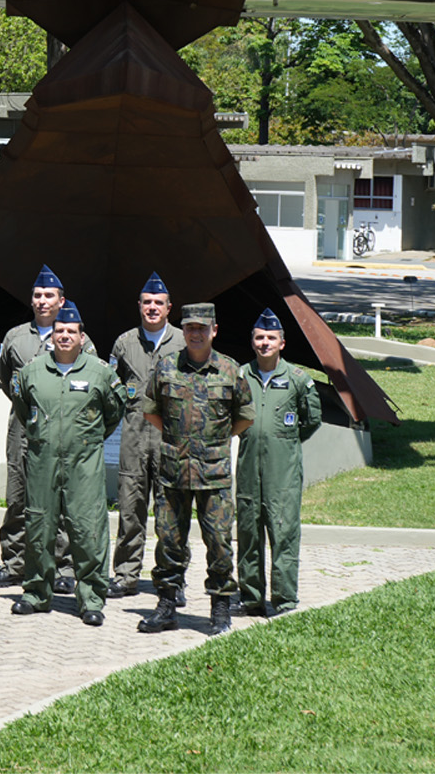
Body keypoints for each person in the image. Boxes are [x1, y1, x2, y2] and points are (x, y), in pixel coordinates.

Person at [138, 303, 254, 637]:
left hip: (214, 473)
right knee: (168, 541)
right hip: (174, 471)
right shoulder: (166, 368)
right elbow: (150, 410)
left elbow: (245, 416)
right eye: (190, 328)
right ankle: (167, 606)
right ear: (183, 330)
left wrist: (215, 442)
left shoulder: (230, 370)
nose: (196, 333)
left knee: (218, 541)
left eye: (202, 328)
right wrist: (180, 442)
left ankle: (219, 608)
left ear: (214, 330)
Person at [9, 300, 124, 626]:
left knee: (88, 530)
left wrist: (86, 440)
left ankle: (90, 598)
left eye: (70, 331)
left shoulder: (100, 372)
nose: (64, 336)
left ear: (81, 335)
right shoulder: (31, 372)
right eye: (59, 331)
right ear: (52, 335)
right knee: (39, 528)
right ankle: (35, 593)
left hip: (84, 464)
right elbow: (23, 409)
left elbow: (113, 413)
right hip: (43, 461)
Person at [0, 265, 92, 591]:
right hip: (23, 427)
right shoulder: (15, 338)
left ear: (62, 301)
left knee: (60, 499)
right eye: (37, 295)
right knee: (18, 496)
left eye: (49, 296)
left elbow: (91, 383)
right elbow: (7, 381)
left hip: (61, 431)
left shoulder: (77, 339)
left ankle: (62, 567)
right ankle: (15, 562)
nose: (42, 301)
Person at [236, 308, 322, 617]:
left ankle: (284, 600)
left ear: (282, 343)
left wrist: (284, 443)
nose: (265, 343)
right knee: (248, 535)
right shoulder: (241, 375)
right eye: (259, 338)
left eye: (271, 338)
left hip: (282, 475)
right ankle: (250, 598)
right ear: (252, 342)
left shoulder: (298, 379)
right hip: (248, 472)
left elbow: (312, 420)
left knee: (283, 535)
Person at [107, 272, 186, 600]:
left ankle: (173, 580)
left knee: (172, 514)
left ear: (169, 308)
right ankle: (125, 575)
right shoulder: (125, 343)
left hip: (171, 442)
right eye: (147, 303)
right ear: (139, 306)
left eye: (159, 303)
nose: (152, 308)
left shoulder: (184, 343)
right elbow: (112, 391)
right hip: (135, 440)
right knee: (130, 509)